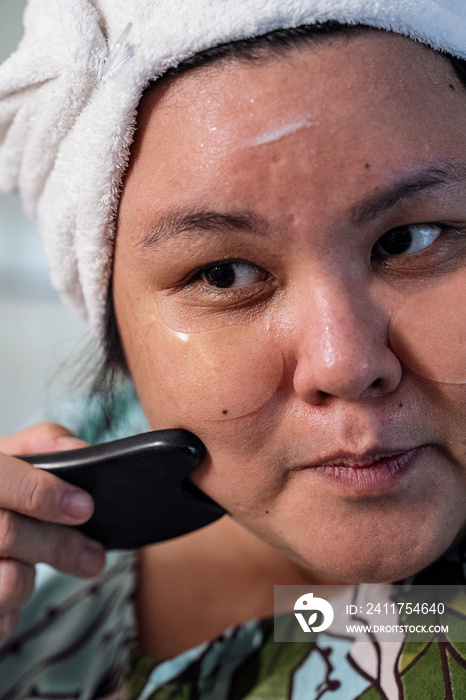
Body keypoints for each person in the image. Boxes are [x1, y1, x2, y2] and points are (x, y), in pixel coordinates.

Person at [0, 1, 465, 698]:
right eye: (224, 275)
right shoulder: (68, 481)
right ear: (116, 329)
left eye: (409, 240)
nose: (347, 364)